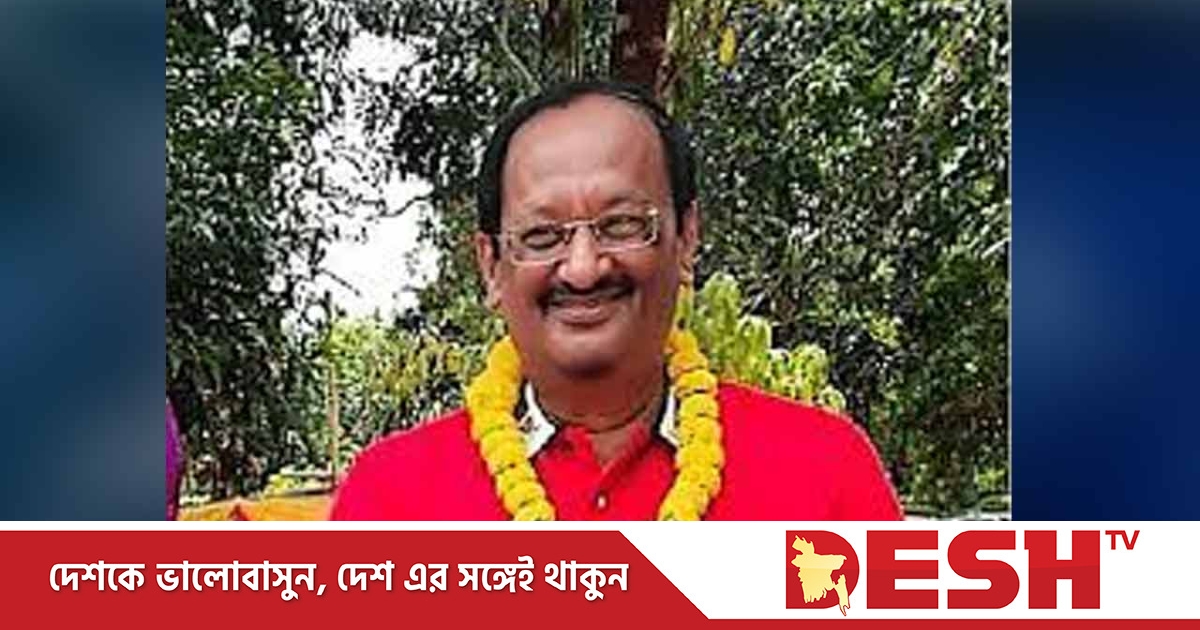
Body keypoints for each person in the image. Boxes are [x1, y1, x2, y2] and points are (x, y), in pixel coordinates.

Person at [330, 80, 902, 521]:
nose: (583, 269)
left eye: (622, 224)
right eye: (542, 236)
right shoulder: (391, 501)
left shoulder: (826, 474)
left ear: (686, 237)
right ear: (491, 266)